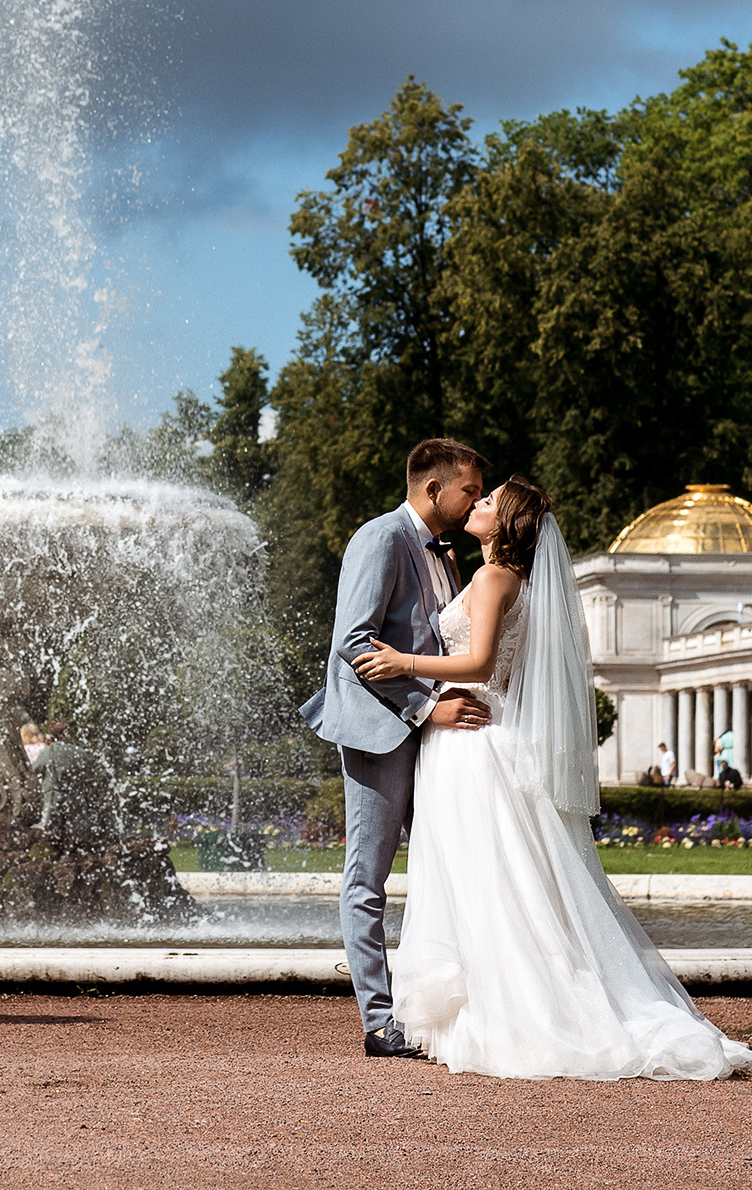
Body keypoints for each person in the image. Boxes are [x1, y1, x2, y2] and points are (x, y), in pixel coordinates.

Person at [351, 473, 752, 1079]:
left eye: (487, 501)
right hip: (473, 736)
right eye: (476, 494)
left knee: (486, 879)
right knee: (497, 879)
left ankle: (515, 1008)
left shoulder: (492, 577)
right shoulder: (503, 577)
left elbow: (481, 661)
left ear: (506, 522)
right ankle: (497, 999)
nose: (478, 503)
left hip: (471, 743)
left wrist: (401, 661)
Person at [299, 438, 494, 1060]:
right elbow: (354, 644)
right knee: (369, 877)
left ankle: (438, 1008)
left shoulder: (449, 555)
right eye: (469, 489)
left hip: (436, 739)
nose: (475, 501)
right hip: (381, 729)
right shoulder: (380, 537)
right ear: (433, 488)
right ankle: (380, 1022)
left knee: (447, 867)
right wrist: (426, 706)